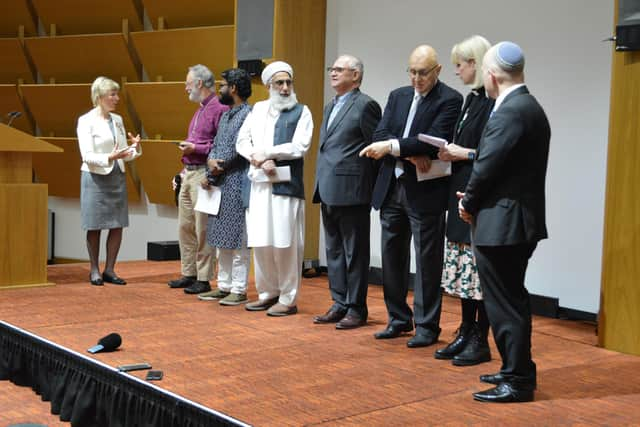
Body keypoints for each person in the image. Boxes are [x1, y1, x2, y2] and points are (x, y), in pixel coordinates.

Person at [458, 42, 550, 403]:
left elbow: (487, 166)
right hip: (514, 220)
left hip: (504, 224)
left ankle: (517, 381)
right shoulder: (528, 106)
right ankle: (517, 368)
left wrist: (469, 200)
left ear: (492, 76)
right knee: (511, 300)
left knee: (505, 304)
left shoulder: (511, 111)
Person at [360, 45, 462, 347]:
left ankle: (428, 327)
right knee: (392, 257)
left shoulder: (450, 99)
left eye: (424, 73)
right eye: (413, 72)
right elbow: (379, 136)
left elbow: (433, 142)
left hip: (426, 191)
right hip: (392, 187)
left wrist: (399, 149)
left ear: (438, 71)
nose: (417, 78)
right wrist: (408, 154)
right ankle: (398, 319)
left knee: (428, 260)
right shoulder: (398, 96)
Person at [433, 35, 494, 366]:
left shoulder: (493, 103)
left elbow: (493, 153)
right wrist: (449, 152)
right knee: (463, 273)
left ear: (476, 63)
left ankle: (480, 339)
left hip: (478, 194)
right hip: (459, 189)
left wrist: (463, 152)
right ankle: (465, 329)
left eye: (460, 64)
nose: (456, 70)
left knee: (478, 274)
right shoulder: (472, 100)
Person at [236, 61, 313, 316]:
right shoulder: (257, 110)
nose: (285, 88)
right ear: (269, 85)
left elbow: (300, 146)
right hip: (259, 184)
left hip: (285, 186)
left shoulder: (302, 111)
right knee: (261, 241)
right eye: (279, 83)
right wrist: (256, 157)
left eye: (288, 82)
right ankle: (267, 293)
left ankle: (288, 298)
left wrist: (268, 153)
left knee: (285, 243)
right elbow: (242, 141)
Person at [312, 54, 381, 329]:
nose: (333, 73)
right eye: (333, 69)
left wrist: (368, 189)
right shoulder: (331, 106)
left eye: (340, 70)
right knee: (335, 250)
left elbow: (375, 150)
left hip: (352, 191)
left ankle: (356, 307)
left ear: (356, 75)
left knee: (355, 252)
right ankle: (339, 302)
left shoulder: (366, 106)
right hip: (327, 187)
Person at [167, 64, 228, 295]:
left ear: (199, 83)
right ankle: (189, 272)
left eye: (188, 83)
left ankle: (203, 278)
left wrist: (195, 147)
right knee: (185, 226)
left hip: (204, 172)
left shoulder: (218, 108)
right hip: (189, 172)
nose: (185, 88)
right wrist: (182, 172)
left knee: (202, 228)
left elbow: (221, 144)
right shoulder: (200, 109)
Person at [76, 76, 142, 286]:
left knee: (117, 224)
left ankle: (110, 269)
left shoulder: (118, 120)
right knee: (95, 225)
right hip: (95, 177)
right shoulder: (85, 120)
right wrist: (108, 158)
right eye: (112, 94)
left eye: (116, 94)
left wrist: (135, 147)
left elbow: (124, 153)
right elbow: (86, 155)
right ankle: (94, 269)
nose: (117, 98)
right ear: (100, 97)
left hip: (116, 176)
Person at [198, 68, 253, 306]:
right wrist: (209, 164)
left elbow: (239, 150)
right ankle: (223, 286)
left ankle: (239, 289)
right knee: (220, 238)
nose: (219, 89)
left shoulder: (248, 115)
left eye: (222, 85)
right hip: (220, 181)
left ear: (233, 88)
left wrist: (217, 167)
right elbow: (217, 145)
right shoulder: (227, 115)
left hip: (237, 180)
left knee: (238, 239)